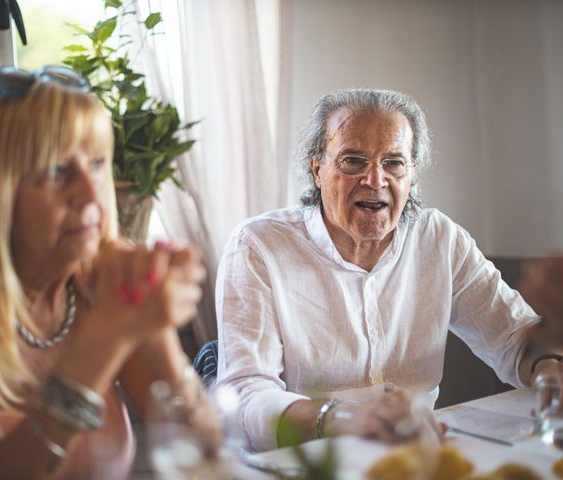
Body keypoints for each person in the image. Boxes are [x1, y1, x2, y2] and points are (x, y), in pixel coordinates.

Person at [215, 88, 559, 452]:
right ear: (317, 169)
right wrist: (343, 419)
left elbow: (514, 337)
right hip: (302, 463)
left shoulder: (439, 238)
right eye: (353, 161)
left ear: (410, 174)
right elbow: (245, 396)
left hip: (415, 458)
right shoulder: (258, 245)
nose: (375, 180)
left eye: (393, 163)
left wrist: (549, 369)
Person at [0, 65, 221, 479]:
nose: (90, 194)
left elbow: (207, 454)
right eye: (57, 171)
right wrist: (107, 335)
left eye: (97, 163)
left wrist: (156, 330)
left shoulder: (102, 282)